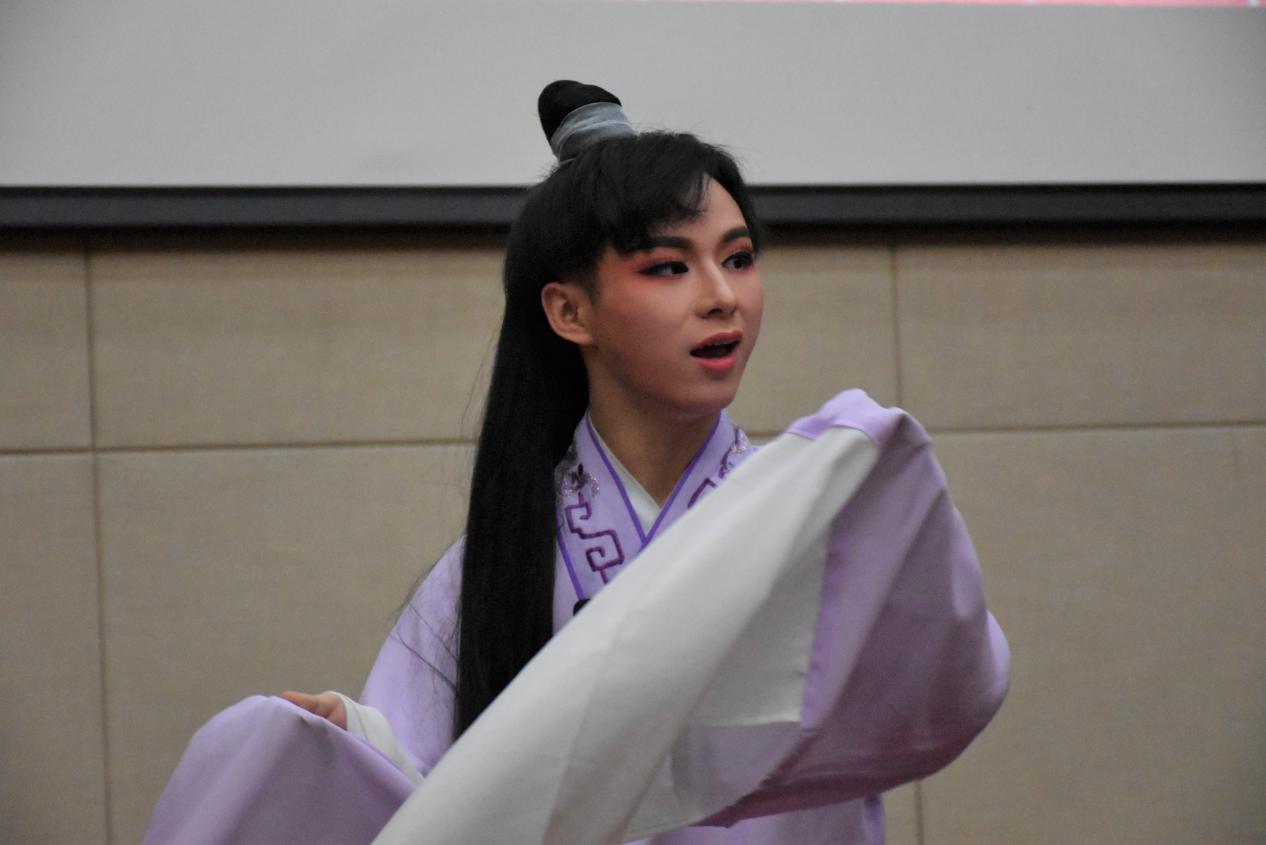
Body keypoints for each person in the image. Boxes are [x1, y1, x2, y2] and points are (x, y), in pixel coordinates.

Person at [147, 81, 1008, 845]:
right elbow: (443, 797)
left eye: (739, 258)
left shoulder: (811, 529)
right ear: (569, 311)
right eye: (668, 266)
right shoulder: (491, 568)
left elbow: (947, 689)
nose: (723, 297)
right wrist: (352, 742)